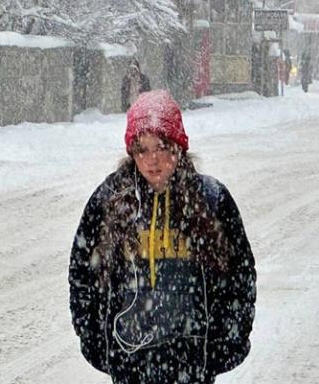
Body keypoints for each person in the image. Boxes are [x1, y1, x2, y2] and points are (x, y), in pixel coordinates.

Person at [69, 90, 257, 384]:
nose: (152, 160)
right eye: (142, 149)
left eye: (161, 146)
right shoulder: (110, 200)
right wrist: (95, 340)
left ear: (178, 146)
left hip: (191, 361)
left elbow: (239, 275)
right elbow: (82, 272)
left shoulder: (210, 200)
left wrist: (228, 340)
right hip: (130, 361)